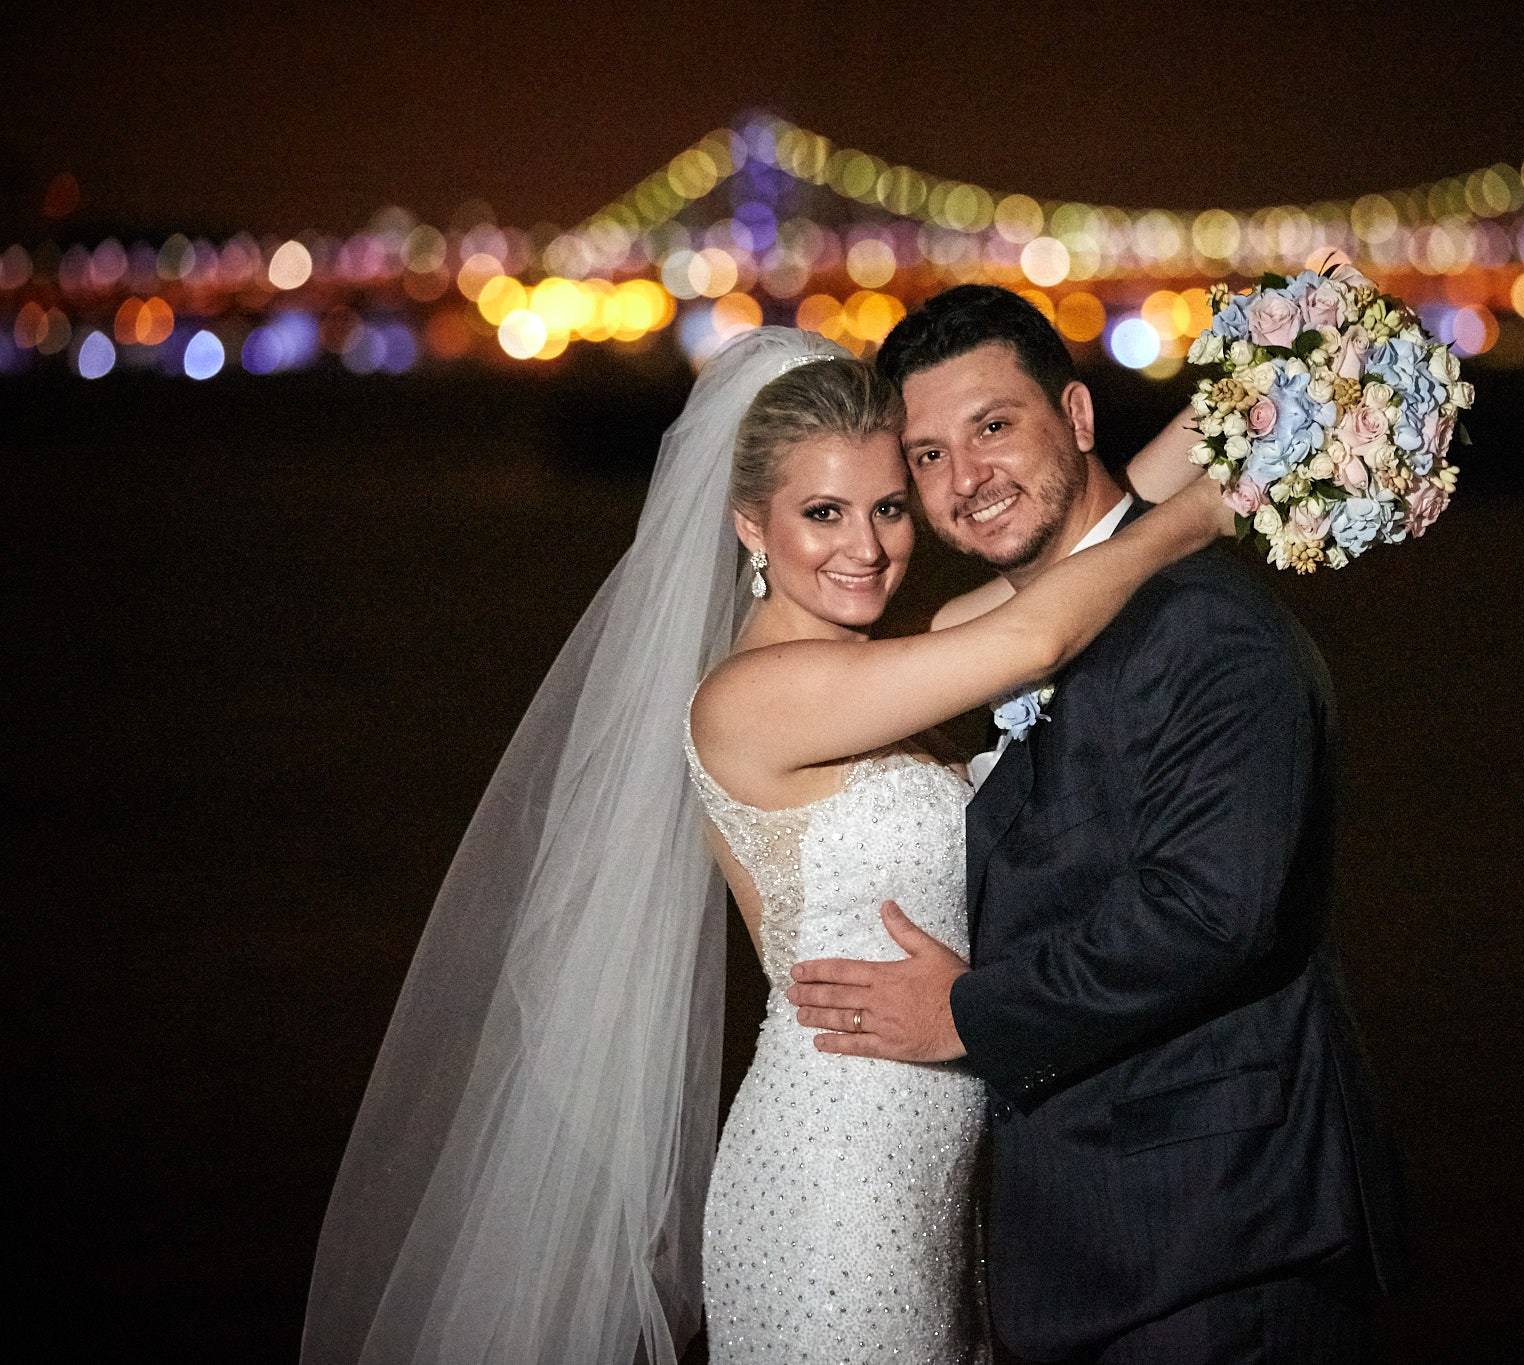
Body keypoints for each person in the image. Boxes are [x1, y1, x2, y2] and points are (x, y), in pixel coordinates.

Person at [300, 324, 1229, 1365]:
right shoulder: (750, 702)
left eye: (887, 507)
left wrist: (1265, 387)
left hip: (921, 1192)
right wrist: (1206, 516)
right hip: (827, 1197)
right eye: (821, 514)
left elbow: (1091, 540)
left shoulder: (874, 678)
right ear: (750, 525)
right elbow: (1035, 635)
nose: (866, 548)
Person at [787, 285, 1411, 1364]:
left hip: (1219, 1241)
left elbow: (1211, 913)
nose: (966, 478)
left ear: (1076, 419)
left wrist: (966, 1013)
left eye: (993, 427)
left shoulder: (1208, 630)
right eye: (926, 456)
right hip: (1098, 1253)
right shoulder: (1028, 632)